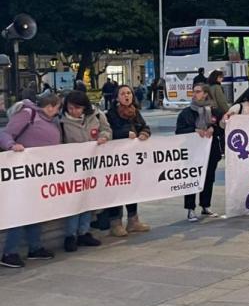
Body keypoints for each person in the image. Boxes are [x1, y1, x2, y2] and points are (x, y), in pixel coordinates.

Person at [0, 94, 62, 267]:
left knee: (35, 210)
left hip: (40, 173)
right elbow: (6, 134)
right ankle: (9, 252)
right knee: (21, 211)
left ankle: (35, 247)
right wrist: (12, 146)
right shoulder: (28, 114)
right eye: (51, 106)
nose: (53, 110)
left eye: (55, 107)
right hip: (24, 171)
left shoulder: (50, 120)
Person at [59, 91, 110, 252]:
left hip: (92, 164)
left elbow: (106, 129)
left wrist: (104, 136)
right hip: (72, 168)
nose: (74, 111)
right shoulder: (61, 121)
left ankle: (84, 232)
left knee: (88, 199)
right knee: (74, 202)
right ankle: (70, 235)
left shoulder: (96, 116)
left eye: (78, 108)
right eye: (71, 108)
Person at [104, 85, 152, 237]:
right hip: (116, 158)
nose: (127, 96)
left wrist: (144, 133)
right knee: (117, 189)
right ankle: (115, 223)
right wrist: (125, 133)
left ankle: (133, 221)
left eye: (129, 93)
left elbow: (145, 127)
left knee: (132, 188)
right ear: (117, 97)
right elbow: (109, 132)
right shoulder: (109, 114)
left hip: (132, 158)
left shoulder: (135, 112)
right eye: (123, 93)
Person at [175, 84, 222, 222]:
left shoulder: (214, 111)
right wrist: (194, 131)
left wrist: (214, 128)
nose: (194, 94)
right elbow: (179, 132)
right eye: (193, 92)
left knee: (208, 178)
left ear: (205, 94)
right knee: (191, 179)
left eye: (198, 92)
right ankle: (190, 208)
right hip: (192, 152)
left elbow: (223, 129)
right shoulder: (186, 113)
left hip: (210, 151)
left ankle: (205, 205)